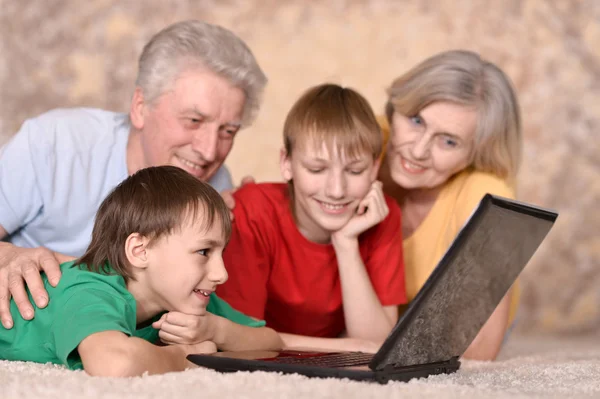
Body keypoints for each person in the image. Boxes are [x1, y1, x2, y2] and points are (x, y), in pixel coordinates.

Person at [0, 19, 267, 329]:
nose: (209, 152)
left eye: (228, 130)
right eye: (194, 120)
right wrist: (6, 253)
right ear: (140, 107)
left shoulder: (217, 183)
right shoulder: (53, 143)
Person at [0, 165, 282, 376]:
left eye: (222, 253)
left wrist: (218, 330)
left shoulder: (177, 296)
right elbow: (114, 363)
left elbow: (271, 340)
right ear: (140, 251)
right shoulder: (92, 289)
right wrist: (186, 354)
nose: (222, 274)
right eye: (203, 252)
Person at [216, 84, 406, 353]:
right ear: (287, 163)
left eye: (355, 170)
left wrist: (346, 243)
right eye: (317, 169)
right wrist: (348, 347)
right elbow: (238, 339)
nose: (336, 191)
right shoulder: (252, 210)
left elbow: (376, 346)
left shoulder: (381, 214)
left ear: (374, 168)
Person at [377, 50, 522, 360]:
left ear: (476, 153)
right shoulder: (367, 138)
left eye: (448, 141)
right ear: (395, 109)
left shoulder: (485, 194)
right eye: (415, 121)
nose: (417, 151)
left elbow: (478, 352)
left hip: (446, 333)